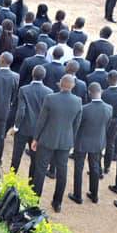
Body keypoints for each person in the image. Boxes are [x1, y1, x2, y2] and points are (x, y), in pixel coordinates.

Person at [30, 74, 84, 212]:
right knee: (62, 172)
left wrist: (35, 138)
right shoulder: (78, 101)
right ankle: (57, 203)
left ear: (60, 83)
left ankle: (34, 200)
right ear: (73, 86)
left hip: (47, 139)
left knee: (40, 170)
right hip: (65, 141)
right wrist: (71, 140)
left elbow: (41, 120)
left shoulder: (50, 98)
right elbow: (76, 125)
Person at [71, 82, 113, 204]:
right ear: (101, 92)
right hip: (98, 142)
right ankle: (94, 195)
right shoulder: (109, 108)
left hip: (82, 142)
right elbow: (107, 125)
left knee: (78, 168)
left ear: (89, 93)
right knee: (95, 168)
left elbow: (77, 126)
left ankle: (77, 195)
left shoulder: (84, 109)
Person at [12, 64, 52, 172]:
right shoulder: (49, 92)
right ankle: (31, 180)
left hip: (23, 128)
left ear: (32, 74)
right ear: (44, 76)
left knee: (16, 156)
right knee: (34, 159)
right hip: (38, 132)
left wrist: (16, 127)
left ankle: (11, 178)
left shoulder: (24, 89)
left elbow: (21, 110)